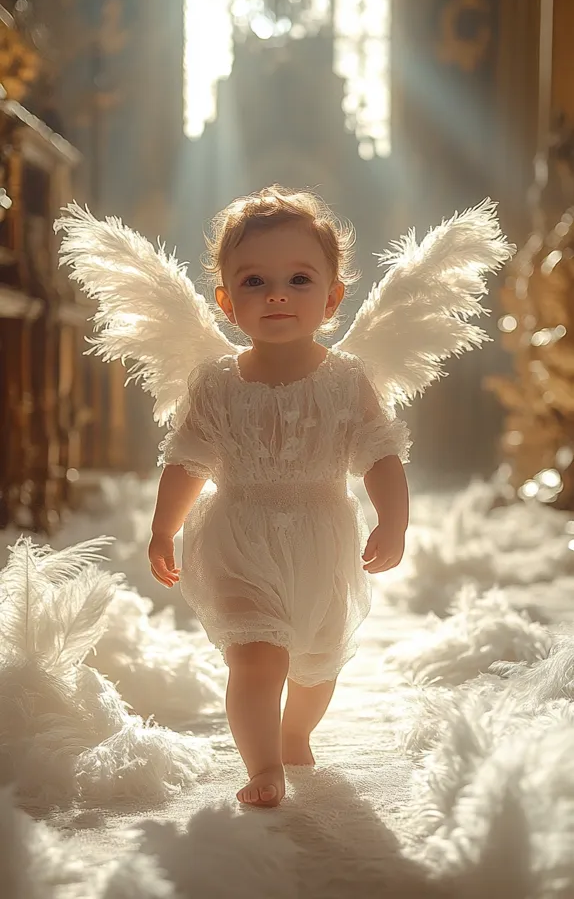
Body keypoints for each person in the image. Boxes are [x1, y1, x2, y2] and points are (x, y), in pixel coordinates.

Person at [54, 185, 513, 810]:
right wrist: (165, 527)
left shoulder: (347, 381)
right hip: (239, 535)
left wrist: (394, 520)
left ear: (332, 298)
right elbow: (187, 459)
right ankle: (263, 764)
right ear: (224, 301)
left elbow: (381, 455)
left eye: (299, 280)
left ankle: (296, 731)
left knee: (316, 665)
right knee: (256, 658)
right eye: (253, 281)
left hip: (322, 537)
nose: (276, 294)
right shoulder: (216, 382)